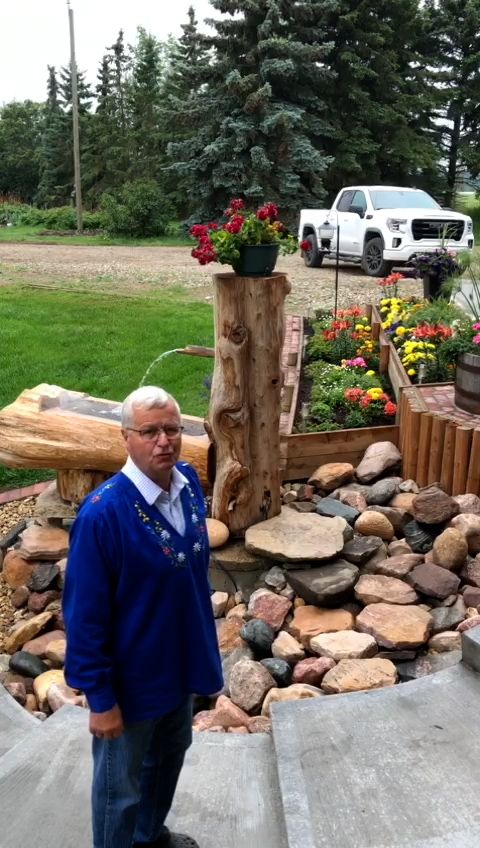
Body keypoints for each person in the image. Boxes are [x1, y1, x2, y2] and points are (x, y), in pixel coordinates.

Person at [63, 386, 223, 848]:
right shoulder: (103, 517)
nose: (164, 441)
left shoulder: (188, 482)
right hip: (131, 684)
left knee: (168, 759)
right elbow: (84, 615)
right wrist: (99, 696)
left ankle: (148, 837)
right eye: (149, 431)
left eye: (172, 429)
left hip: (179, 668)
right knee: (119, 791)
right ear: (126, 438)